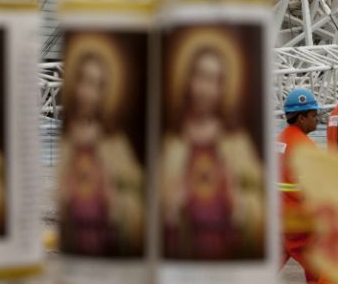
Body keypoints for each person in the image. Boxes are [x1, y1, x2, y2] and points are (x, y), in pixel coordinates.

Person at [161, 44, 264, 259]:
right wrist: (171, 203)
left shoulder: (238, 143)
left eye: (213, 80)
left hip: (226, 251)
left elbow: (259, 198)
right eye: (200, 77)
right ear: (188, 81)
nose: (205, 89)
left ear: (221, 87)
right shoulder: (172, 143)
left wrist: (238, 201)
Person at [58, 51, 144, 256]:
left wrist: (115, 200)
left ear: (103, 94)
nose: (88, 93)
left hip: (103, 241)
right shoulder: (58, 140)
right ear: (74, 85)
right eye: (84, 82)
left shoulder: (115, 144)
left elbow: (138, 201)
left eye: (96, 86)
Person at [277, 88, 322, 283]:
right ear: (302, 118)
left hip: (278, 219)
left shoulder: (280, 140)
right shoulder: (304, 146)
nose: (317, 120)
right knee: (319, 271)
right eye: (313, 115)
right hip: (298, 222)